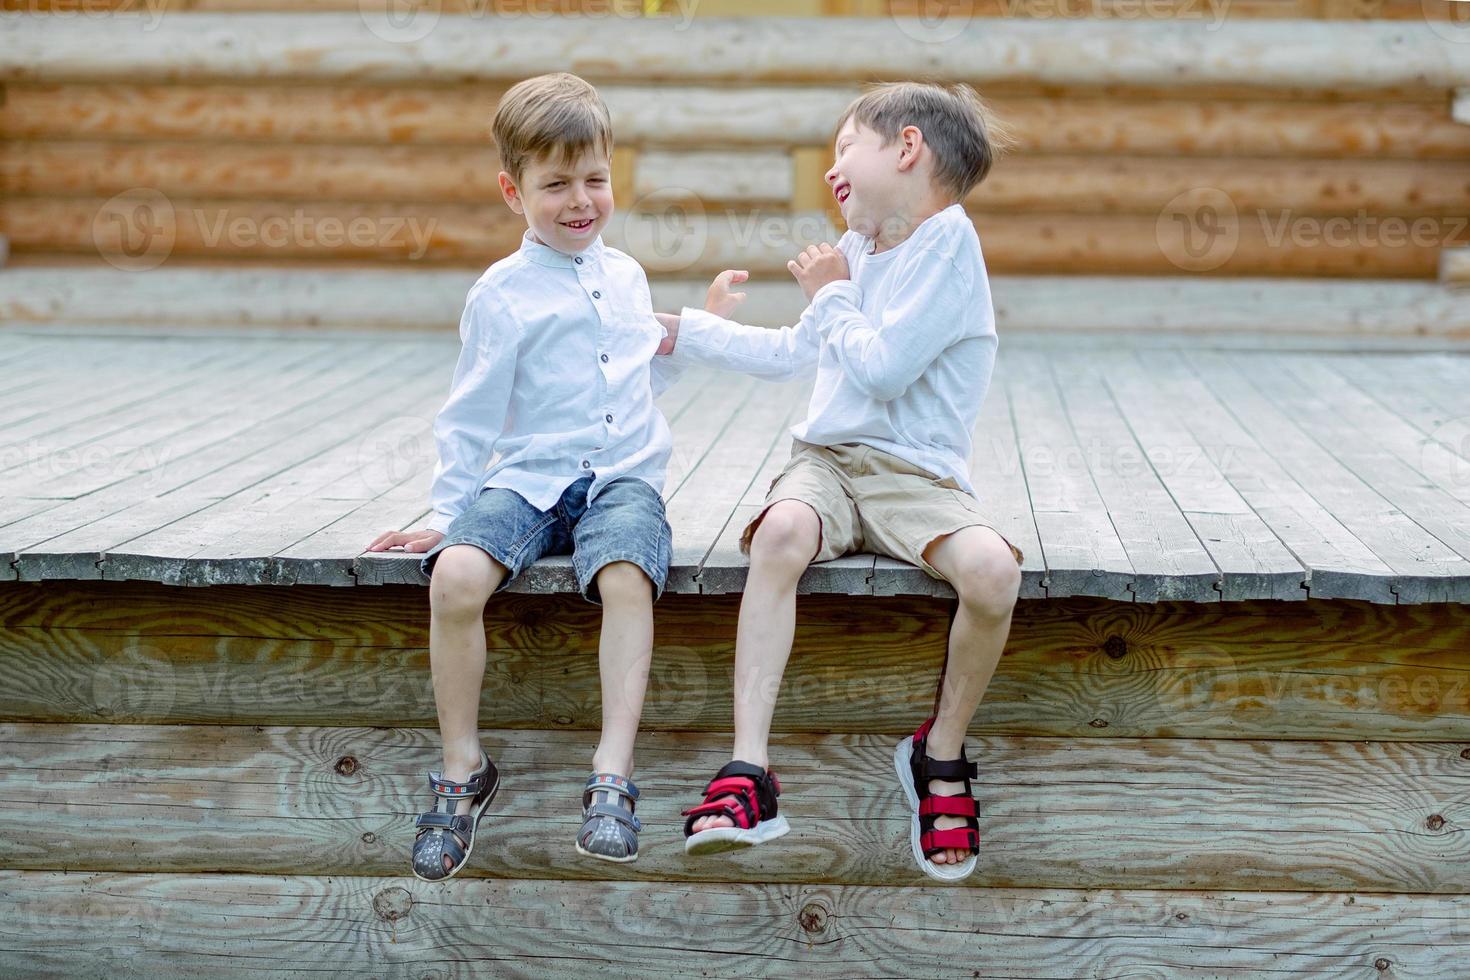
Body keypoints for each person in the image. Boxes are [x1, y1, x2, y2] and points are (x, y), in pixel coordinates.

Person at [656, 81, 1021, 882]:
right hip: (827, 461)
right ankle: (749, 770)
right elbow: (797, 351)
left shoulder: (948, 245)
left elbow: (884, 369)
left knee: (994, 573)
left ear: (908, 148)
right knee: (781, 533)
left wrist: (833, 295)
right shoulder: (859, 254)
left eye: (845, 149)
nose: (832, 172)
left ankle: (940, 753)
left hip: (913, 475)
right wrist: (685, 331)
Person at [367, 72, 683, 878]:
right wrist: (447, 512)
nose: (581, 200)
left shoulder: (629, 277)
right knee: (457, 578)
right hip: (532, 477)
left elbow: (631, 377)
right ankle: (464, 765)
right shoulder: (500, 296)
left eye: (596, 179)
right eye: (556, 185)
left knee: (624, 576)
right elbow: (470, 417)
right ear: (513, 191)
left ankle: (612, 773)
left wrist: (683, 341)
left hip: (619, 478)